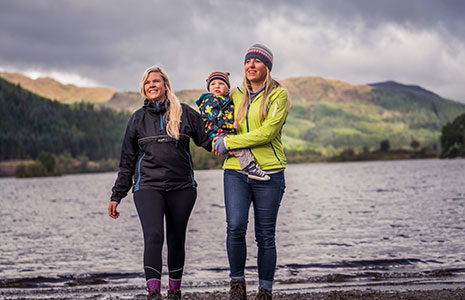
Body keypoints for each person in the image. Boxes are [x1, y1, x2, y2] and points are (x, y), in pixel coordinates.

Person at [108, 66, 212, 300]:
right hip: (148, 187)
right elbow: (127, 161)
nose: (152, 85)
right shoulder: (137, 119)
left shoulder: (184, 113)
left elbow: (208, 140)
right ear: (143, 89)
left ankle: (174, 292)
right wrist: (117, 195)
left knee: (176, 238)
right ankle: (153, 294)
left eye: (156, 81)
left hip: (182, 187)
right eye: (147, 82)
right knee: (154, 236)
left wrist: (232, 138)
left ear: (165, 84)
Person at [213, 44, 289, 300]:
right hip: (235, 171)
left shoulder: (279, 95)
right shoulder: (235, 95)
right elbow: (214, 117)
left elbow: (268, 133)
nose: (251, 65)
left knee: (265, 235)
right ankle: (237, 285)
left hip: (270, 171)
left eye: (257, 61)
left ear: (267, 67)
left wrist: (229, 143)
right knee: (235, 227)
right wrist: (215, 138)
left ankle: (265, 290)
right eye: (248, 61)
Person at [196, 71, 270, 181]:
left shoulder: (225, 100)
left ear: (227, 88)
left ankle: (246, 165)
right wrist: (231, 125)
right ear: (209, 88)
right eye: (213, 84)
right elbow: (214, 117)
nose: (217, 86)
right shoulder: (211, 100)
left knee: (236, 147)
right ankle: (252, 168)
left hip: (224, 132)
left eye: (221, 84)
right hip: (218, 133)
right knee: (240, 148)